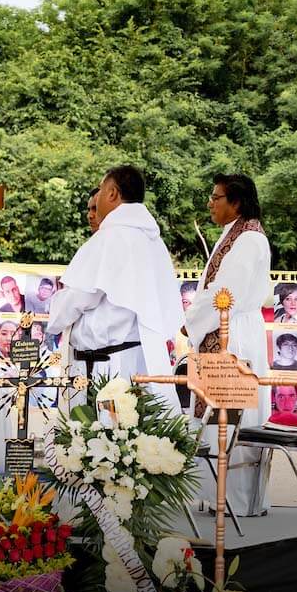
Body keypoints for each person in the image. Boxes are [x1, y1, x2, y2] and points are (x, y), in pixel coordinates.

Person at [48, 165, 183, 411]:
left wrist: (56, 309)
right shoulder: (153, 241)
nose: (97, 198)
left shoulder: (110, 237)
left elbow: (79, 296)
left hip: (107, 368)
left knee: (103, 444)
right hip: (137, 359)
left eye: (100, 190)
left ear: (112, 193)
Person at [183, 173, 273, 515]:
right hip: (227, 329)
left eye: (216, 197)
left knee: (235, 415)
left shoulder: (248, 239)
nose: (210, 202)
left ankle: (236, 501)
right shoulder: (236, 234)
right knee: (222, 417)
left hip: (232, 333)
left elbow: (224, 296)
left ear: (235, 202)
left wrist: (189, 321)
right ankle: (220, 496)